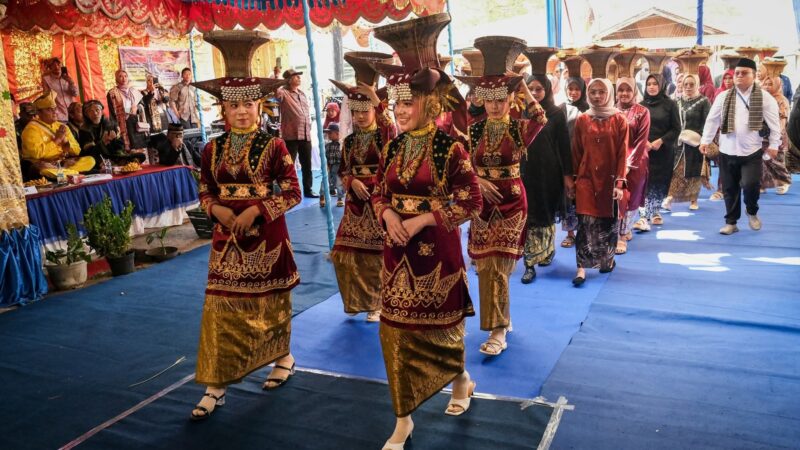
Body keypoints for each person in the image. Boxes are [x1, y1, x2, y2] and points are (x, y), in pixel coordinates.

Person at [371, 13, 482, 449]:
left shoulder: (451, 147)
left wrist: (421, 219)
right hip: (395, 252)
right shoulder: (393, 145)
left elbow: (471, 202)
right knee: (395, 331)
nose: (399, 112)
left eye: (408, 103)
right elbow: (379, 191)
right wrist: (388, 216)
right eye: (395, 105)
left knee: (439, 328)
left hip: (437, 249)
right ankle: (403, 417)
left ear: (430, 103)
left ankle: (460, 381)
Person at [190, 73, 301, 420]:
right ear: (224, 107)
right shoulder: (212, 148)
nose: (241, 111)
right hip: (226, 240)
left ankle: (283, 357)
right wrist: (216, 208)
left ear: (259, 106)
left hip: (267, 236)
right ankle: (216, 385)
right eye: (234, 105)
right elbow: (205, 189)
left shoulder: (275, 146)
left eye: (248, 104)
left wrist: (257, 209)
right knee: (220, 307)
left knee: (269, 302)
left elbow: (292, 191)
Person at [457, 36, 546, 355]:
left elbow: (540, 117)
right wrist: (478, 179)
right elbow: (464, 163)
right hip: (482, 206)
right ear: (483, 98)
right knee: (484, 266)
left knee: (498, 267)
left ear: (509, 99)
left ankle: (497, 330)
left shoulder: (520, 128)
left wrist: (520, 83)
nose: (495, 105)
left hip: (511, 204)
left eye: (501, 98)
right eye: (490, 98)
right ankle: (501, 320)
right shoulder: (475, 128)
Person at [329, 52, 397, 322]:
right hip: (355, 203)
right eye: (354, 111)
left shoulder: (385, 137)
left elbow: (390, 128)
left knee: (379, 254)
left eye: (364, 110)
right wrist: (351, 181)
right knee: (343, 254)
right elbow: (343, 170)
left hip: (378, 198)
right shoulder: (348, 142)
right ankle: (362, 300)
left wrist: (378, 101)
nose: (358, 116)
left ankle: (380, 302)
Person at [700, 58, 781, 235]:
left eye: (744, 73)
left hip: (751, 151)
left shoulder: (765, 98)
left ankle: (752, 211)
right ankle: (731, 223)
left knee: (751, 185)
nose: (739, 76)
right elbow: (712, 120)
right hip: (726, 150)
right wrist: (705, 140)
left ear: (753, 76)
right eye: (737, 73)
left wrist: (774, 145)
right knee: (729, 189)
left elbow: (775, 125)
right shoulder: (723, 96)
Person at [571, 78, 627, 286]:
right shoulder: (583, 119)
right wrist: (573, 181)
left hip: (610, 180)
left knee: (607, 222)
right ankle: (581, 268)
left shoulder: (619, 119)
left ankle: (606, 260)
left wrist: (620, 183)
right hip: (586, 179)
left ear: (608, 94)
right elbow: (576, 151)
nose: (596, 96)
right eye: (593, 92)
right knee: (585, 223)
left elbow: (623, 152)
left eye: (601, 92)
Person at [521, 72, 572, 282]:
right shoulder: (520, 113)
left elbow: (564, 146)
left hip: (550, 171)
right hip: (525, 171)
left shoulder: (556, 113)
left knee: (547, 212)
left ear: (548, 90)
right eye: (530, 89)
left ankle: (547, 250)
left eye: (539, 89)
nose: (534, 93)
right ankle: (529, 263)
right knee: (529, 215)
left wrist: (568, 175)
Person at [636, 74, 680, 230]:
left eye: (655, 83)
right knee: (644, 181)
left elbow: (676, 128)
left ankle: (655, 211)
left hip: (663, 151)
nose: (652, 87)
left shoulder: (670, 104)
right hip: (644, 150)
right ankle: (643, 215)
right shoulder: (640, 105)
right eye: (649, 84)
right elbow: (635, 128)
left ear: (661, 85)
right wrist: (644, 142)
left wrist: (660, 141)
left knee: (659, 182)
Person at [614, 77, 650, 255]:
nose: (624, 93)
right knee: (617, 198)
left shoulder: (642, 112)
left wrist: (628, 164)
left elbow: (641, 141)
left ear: (634, 91)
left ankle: (623, 234)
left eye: (628, 90)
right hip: (613, 160)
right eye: (621, 90)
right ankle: (620, 233)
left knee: (631, 198)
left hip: (635, 162)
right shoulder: (610, 110)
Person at [664, 74, 711, 211]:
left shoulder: (704, 101)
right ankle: (670, 197)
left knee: (693, 172)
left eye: (691, 84)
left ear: (697, 85)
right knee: (675, 171)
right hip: (678, 143)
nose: (688, 87)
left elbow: (708, 122)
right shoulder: (677, 101)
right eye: (686, 84)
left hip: (696, 143)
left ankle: (693, 200)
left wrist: (701, 138)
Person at [21, 93, 94, 178]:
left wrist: (65, 141)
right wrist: (57, 140)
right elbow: (37, 154)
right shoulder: (31, 129)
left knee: (90, 160)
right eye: (49, 109)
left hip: (62, 163)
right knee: (45, 170)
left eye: (55, 108)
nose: (55, 112)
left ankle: (69, 173)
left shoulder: (61, 126)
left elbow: (77, 150)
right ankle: (71, 173)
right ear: (39, 113)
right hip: (43, 165)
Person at [560, 75, 590, 249]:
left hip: (584, 159)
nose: (573, 92)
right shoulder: (560, 109)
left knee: (583, 195)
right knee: (568, 196)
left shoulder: (589, 109)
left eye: (577, 89)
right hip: (565, 159)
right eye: (570, 89)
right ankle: (570, 233)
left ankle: (583, 232)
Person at [276, 69, 316, 198]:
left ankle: (308, 190)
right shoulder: (284, 92)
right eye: (295, 76)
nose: (299, 78)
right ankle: (288, 191)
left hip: (305, 134)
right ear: (288, 79)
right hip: (291, 135)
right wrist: (277, 77)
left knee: (307, 164)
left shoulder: (302, 94)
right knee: (289, 165)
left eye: (299, 76)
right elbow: (276, 93)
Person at [79, 100, 145, 170]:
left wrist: (116, 141)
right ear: (87, 115)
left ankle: (119, 162)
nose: (95, 113)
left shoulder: (111, 125)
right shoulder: (84, 130)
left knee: (140, 156)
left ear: (101, 111)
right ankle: (114, 163)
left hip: (111, 155)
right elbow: (90, 152)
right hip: (96, 157)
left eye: (97, 110)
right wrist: (103, 142)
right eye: (91, 111)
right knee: (92, 161)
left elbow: (120, 146)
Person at [759, 75, 792, 194]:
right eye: (765, 84)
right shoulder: (762, 98)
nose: (767, 87)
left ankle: (785, 182)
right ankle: (762, 184)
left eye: (770, 84)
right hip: (762, 134)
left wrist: (777, 135)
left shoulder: (781, 100)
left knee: (776, 161)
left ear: (778, 86)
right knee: (762, 161)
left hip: (777, 134)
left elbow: (783, 119)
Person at [107, 69, 146, 152]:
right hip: (122, 123)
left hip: (135, 121)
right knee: (127, 147)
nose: (123, 78)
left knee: (138, 148)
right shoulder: (112, 93)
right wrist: (114, 126)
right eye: (120, 76)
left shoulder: (134, 91)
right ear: (116, 79)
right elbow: (111, 112)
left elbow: (142, 105)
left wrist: (137, 108)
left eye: (125, 76)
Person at [41, 57, 77, 122]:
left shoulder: (67, 77)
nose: (57, 67)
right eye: (53, 66)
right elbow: (46, 97)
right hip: (59, 115)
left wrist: (71, 82)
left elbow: (75, 94)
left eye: (58, 65)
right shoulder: (47, 79)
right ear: (50, 68)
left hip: (73, 113)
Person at [319, 123, 344, 208]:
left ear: (337, 133)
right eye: (328, 133)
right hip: (329, 166)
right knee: (325, 181)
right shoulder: (327, 145)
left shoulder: (341, 145)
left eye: (330, 133)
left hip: (338, 167)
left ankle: (340, 198)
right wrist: (325, 165)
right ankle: (322, 197)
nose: (328, 135)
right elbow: (324, 156)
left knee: (339, 182)